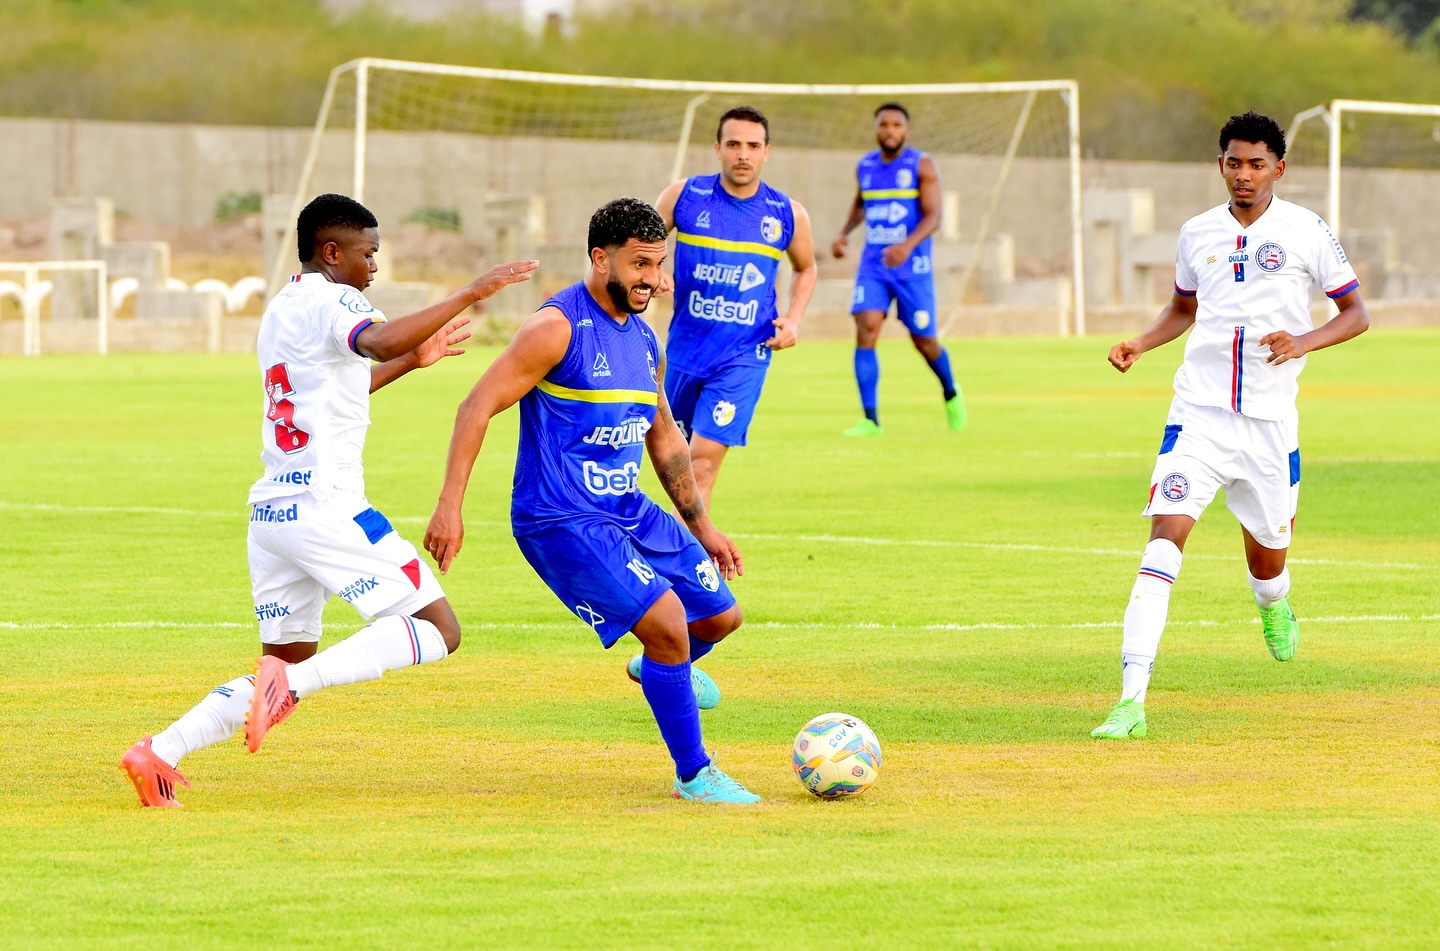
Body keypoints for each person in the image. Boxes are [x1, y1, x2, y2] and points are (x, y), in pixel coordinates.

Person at [120, 193, 536, 806]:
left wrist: (412, 363)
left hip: (274, 514)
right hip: (327, 505)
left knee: (286, 660)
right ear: (332, 252)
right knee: (438, 629)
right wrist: (472, 291)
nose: (375, 267)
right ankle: (284, 688)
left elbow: (344, 382)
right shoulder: (335, 297)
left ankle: (159, 751)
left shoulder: (284, 305)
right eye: (369, 254)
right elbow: (381, 338)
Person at [424, 197, 761, 804]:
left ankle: (662, 668)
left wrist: (702, 525)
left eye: (659, 266)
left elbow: (663, 435)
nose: (653, 281)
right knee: (665, 628)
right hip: (561, 518)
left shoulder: (643, 337)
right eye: (640, 266)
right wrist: (451, 504)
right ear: (600, 258)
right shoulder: (557, 328)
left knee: (719, 617)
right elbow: (475, 406)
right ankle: (695, 774)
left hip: (625, 507)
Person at [1091, 112, 1369, 740]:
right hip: (1199, 416)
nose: (1244, 175)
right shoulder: (1197, 232)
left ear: (1279, 168)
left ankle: (1272, 606)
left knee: (1268, 564)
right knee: (1165, 538)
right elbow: (1183, 308)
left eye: (1256, 164)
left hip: (1270, 426)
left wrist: (1302, 341)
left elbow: (1356, 313)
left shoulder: (1306, 231)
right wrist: (1141, 341)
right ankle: (1130, 700)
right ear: (1220, 165)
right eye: (1233, 163)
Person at [652, 105, 817, 510]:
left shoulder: (786, 213)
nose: (743, 154)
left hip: (745, 355)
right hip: (684, 354)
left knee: (702, 466)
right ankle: (686, 555)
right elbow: (641, 246)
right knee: (677, 470)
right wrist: (654, 271)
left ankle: (694, 568)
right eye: (734, 144)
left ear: (767, 152)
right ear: (717, 148)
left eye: (753, 146)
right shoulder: (684, 197)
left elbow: (807, 268)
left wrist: (793, 319)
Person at [832, 102, 966, 436]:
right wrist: (843, 233)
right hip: (874, 265)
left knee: (924, 340)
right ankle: (870, 419)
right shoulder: (865, 166)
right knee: (866, 325)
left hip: (913, 267)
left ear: (906, 130)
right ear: (876, 129)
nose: (890, 130)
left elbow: (934, 215)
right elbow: (860, 204)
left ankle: (950, 392)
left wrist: (907, 245)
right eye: (884, 125)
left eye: (897, 125)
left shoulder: (921, 165)